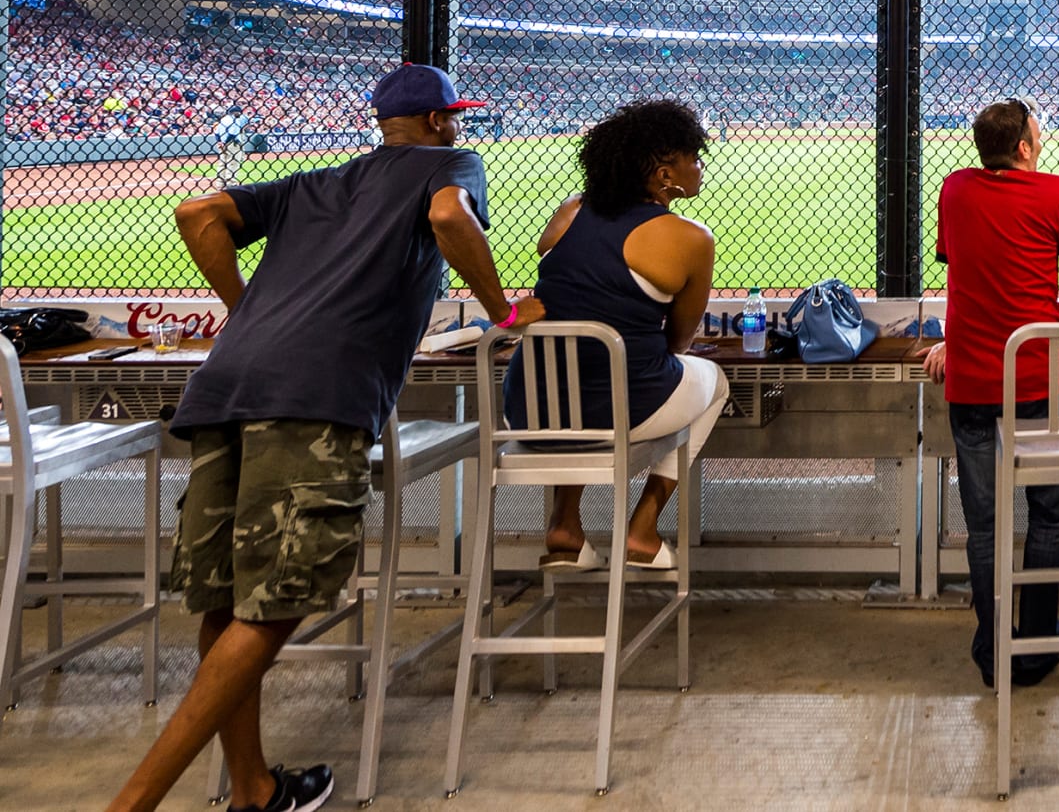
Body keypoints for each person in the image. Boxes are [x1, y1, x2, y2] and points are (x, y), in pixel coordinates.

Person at [110, 64, 539, 812]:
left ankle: (254, 790)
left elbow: (195, 214)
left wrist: (244, 314)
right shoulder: (450, 164)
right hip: (317, 396)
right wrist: (502, 311)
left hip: (226, 387)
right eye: (456, 117)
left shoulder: (313, 183)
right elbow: (447, 218)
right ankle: (133, 802)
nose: (461, 127)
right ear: (439, 121)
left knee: (230, 600)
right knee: (277, 602)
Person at [924, 98, 1059, 687]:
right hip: (1037, 382)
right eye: (1036, 137)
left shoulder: (954, 190)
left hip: (971, 382)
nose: (1040, 144)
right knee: (1049, 513)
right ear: (1023, 147)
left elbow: (963, 274)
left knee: (985, 525)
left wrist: (953, 341)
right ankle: (1037, 643)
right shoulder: (1057, 192)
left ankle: (992, 650)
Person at [507, 100, 728, 571]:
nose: (700, 165)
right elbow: (678, 344)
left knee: (580, 377)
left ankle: (565, 527)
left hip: (527, 410)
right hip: (619, 410)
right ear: (665, 175)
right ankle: (643, 530)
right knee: (713, 382)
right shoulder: (690, 238)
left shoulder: (570, 211)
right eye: (692, 157)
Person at [213, 105, 246, 185]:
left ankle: (220, 183)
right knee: (233, 163)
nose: (240, 114)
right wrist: (224, 142)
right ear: (235, 113)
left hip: (221, 144)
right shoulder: (235, 120)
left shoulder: (223, 119)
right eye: (239, 113)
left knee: (222, 163)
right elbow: (232, 133)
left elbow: (216, 132)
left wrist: (220, 142)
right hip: (232, 144)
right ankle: (231, 184)